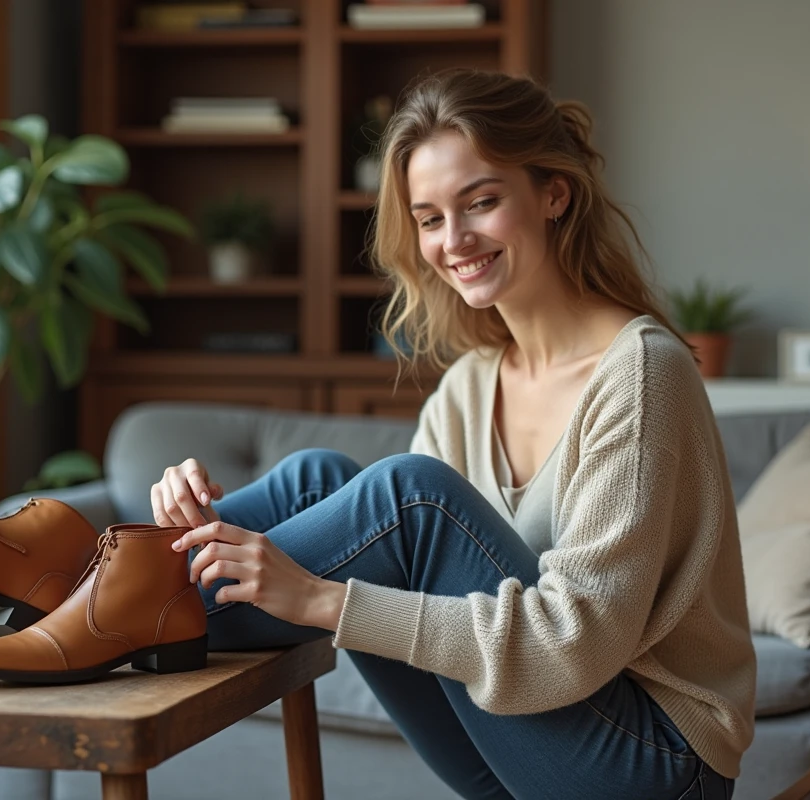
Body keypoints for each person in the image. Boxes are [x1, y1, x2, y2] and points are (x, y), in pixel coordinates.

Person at [154, 68, 755, 800]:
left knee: (412, 498)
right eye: (430, 217)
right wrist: (196, 519)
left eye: (482, 202)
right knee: (320, 478)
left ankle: (130, 598)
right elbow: (385, 550)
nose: (453, 240)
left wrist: (320, 600)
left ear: (553, 193)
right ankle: (147, 562)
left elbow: (576, 645)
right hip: (520, 747)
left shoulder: (640, 374)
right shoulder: (472, 383)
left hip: (653, 765)